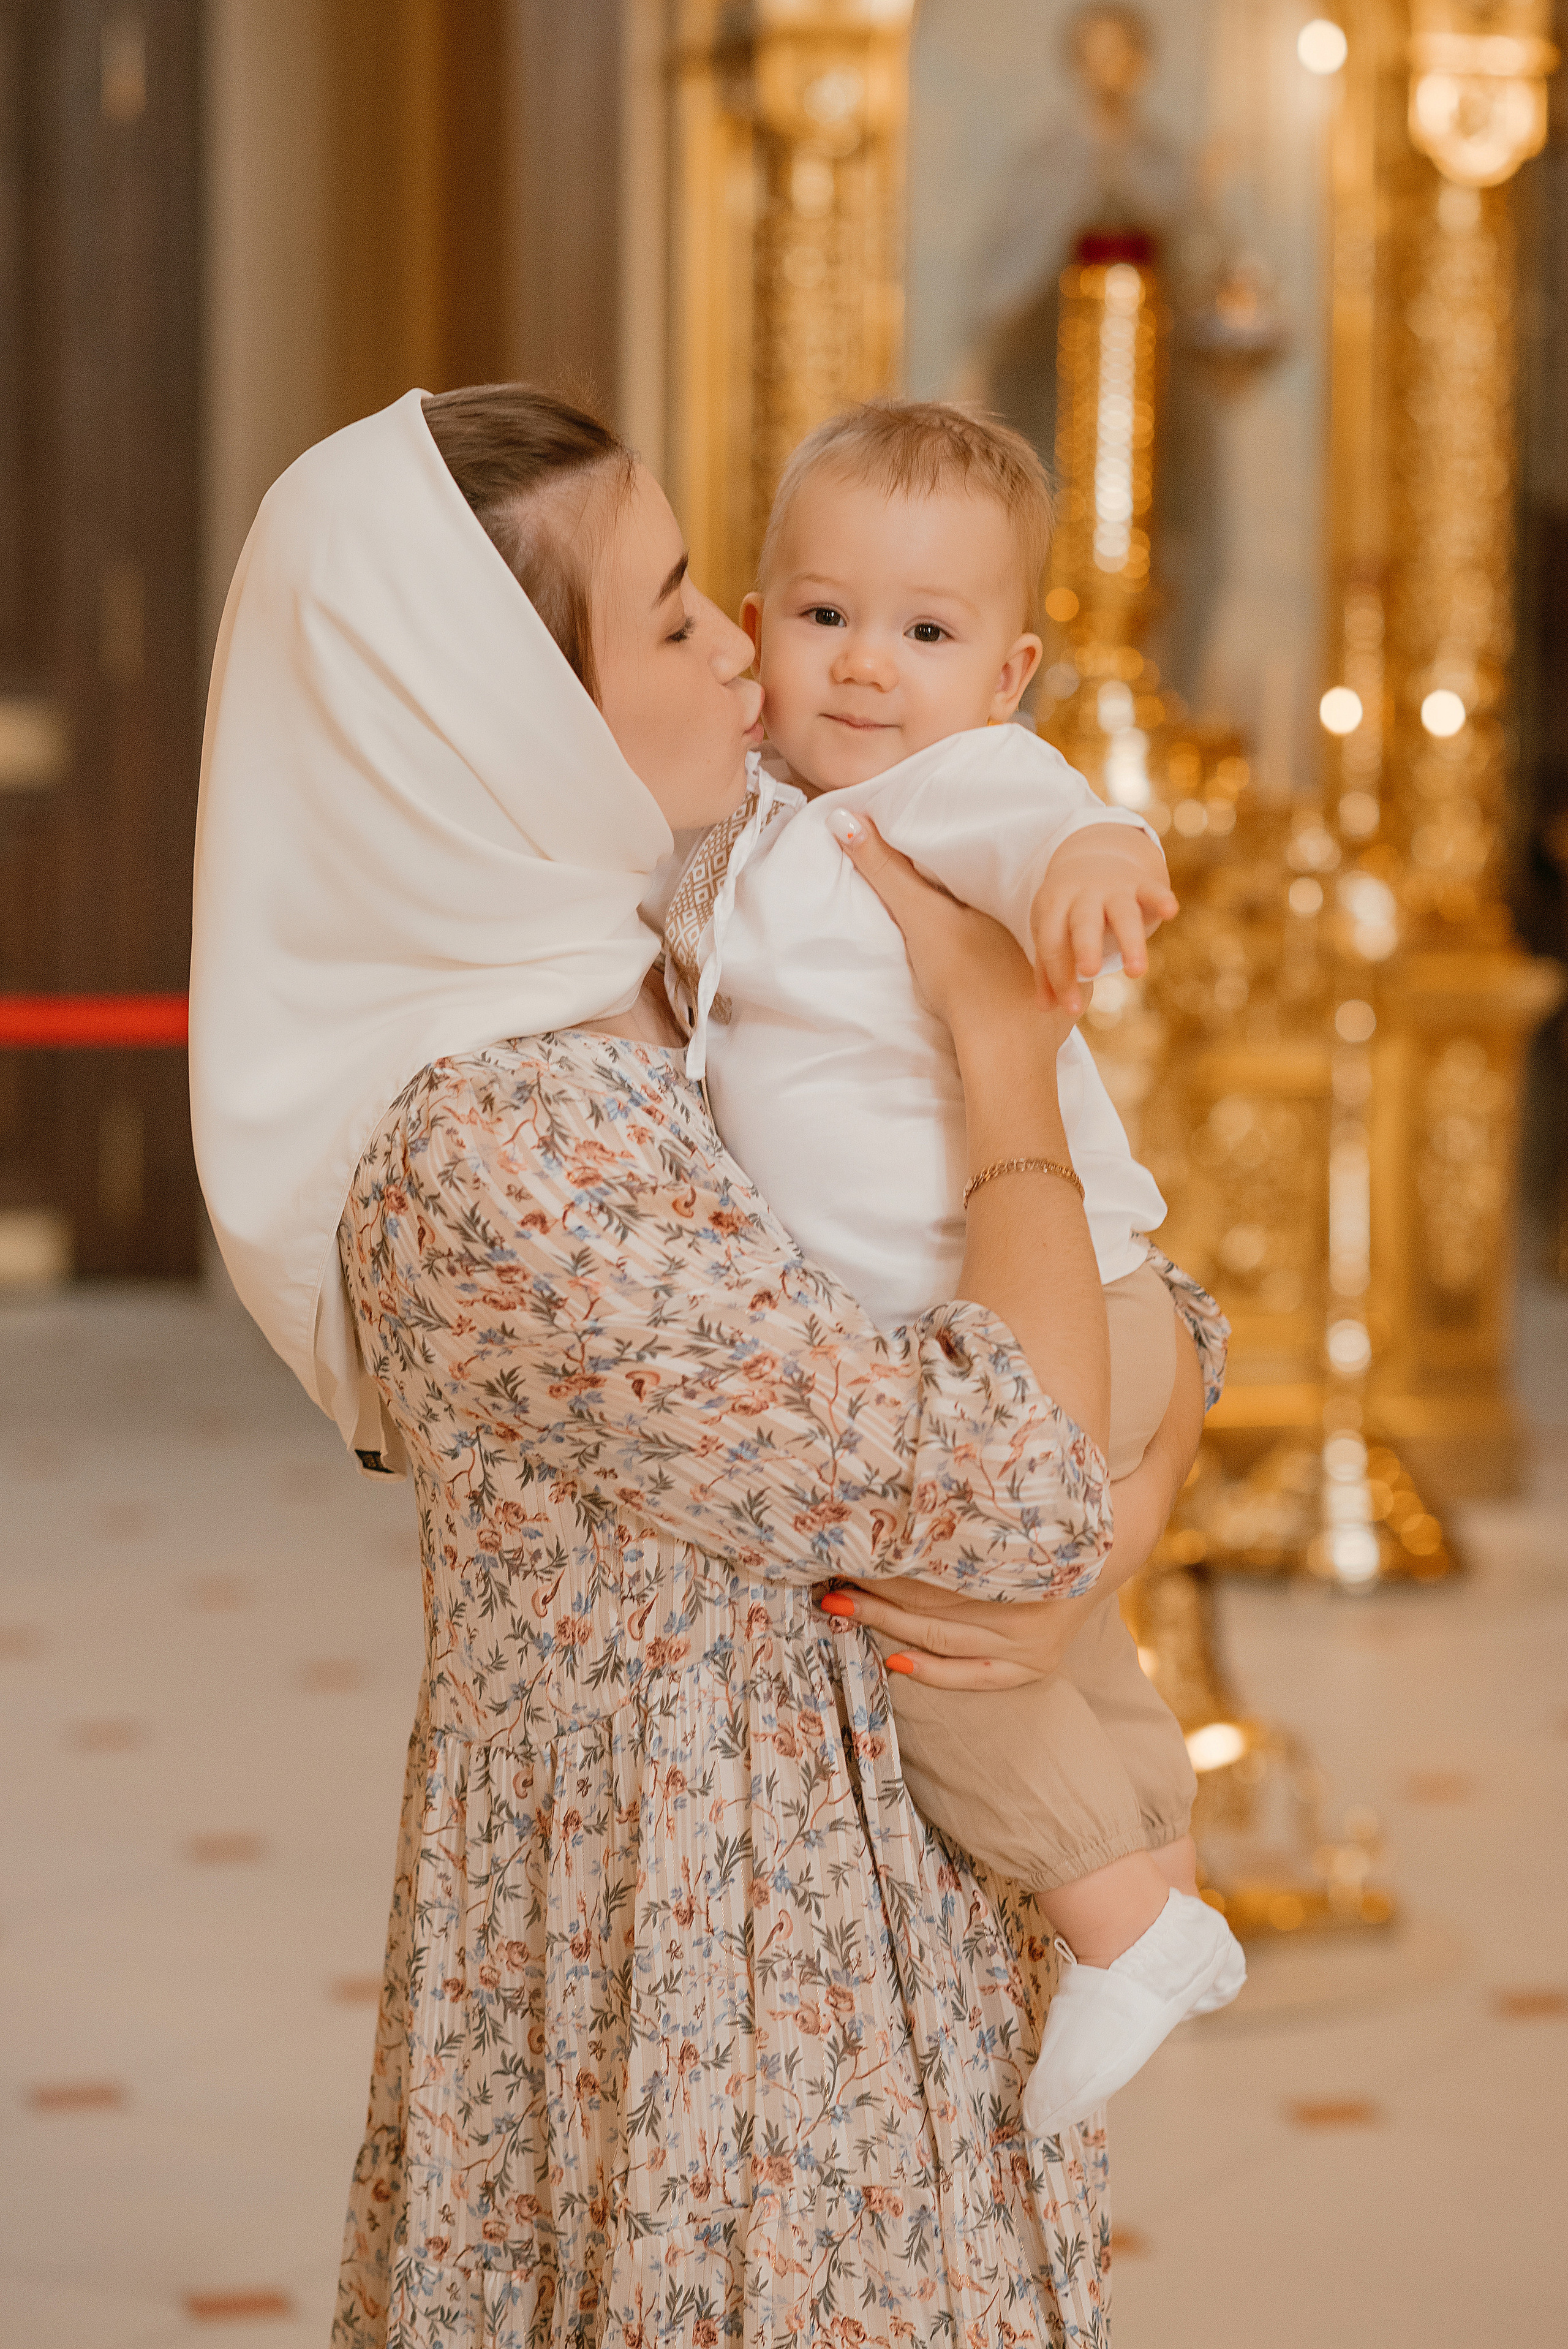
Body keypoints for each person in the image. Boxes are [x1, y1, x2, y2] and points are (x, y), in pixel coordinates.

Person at [189, 382, 1215, 2343]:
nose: (754, 647)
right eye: (677, 614)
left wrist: (1131, 1493)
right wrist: (998, 1046)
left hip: (875, 1873)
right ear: (508, 713)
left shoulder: (678, 927)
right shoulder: (507, 1143)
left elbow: (1125, 1345)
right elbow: (1004, 1477)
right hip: (708, 1956)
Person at [664, 398, 1242, 2135]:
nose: (863, 668)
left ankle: (1122, 1927)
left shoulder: (952, 790)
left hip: (1061, 1319)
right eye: (823, 614)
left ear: (1009, 670)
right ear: (757, 622)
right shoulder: (752, 813)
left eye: (925, 633)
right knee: (1071, 1650)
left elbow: (1061, 827)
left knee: (938, 1642)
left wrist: (1091, 872)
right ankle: (1168, 1858)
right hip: (1027, 1328)